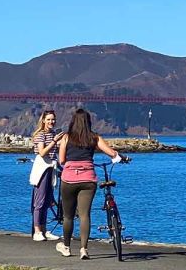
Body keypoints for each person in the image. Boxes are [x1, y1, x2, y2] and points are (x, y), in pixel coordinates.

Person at [56, 108, 127, 259]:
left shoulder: (67, 138)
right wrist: (122, 157)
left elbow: (61, 160)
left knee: (68, 216)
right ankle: (84, 249)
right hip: (88, 180)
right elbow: (112, 153)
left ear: (73, 122)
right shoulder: (94, 137)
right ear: (88, 122)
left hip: (68, 180)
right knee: (84, 215)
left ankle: (67, 247)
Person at [31, 109, 65, 241]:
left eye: (53, 119)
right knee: (39, 201)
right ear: (43, 120)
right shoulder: (41, 135)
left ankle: (44, 230)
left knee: (47, 201)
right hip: (43, 168)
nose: (51, 122)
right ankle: (37, 230)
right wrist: (54, 141)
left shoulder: (52, 134)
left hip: (51, 167)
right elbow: (42, 152)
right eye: (49, 119)